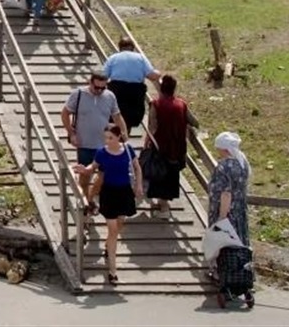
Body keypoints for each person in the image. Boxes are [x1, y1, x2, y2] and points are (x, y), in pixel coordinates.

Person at [77, 124, 143, 285]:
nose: (107, 141)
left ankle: (108, 245)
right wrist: (84, 169)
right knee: (112, 229)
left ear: (119, 137)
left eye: (110, 138)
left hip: (124, 192)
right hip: (108, 193)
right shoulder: (102, 152)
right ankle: (113, 271)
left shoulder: (128, 149)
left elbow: (137, 167)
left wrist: (138, 185)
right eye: (105, 137)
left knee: (120, 225)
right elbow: (93, 167)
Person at [61, 72, 127, 199]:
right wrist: (71, 133)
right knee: (85, 178)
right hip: (85, 144)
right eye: (97, 87)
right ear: (90, 83)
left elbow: (117, 116)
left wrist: (123, 134)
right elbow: (65, 114)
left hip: (105, 145)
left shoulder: (110, 96)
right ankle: (86, 203)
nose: (100, 91)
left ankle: (90, 197)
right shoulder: (78, 94)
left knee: (105, 176)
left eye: (103, 88)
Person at [145, 74, 198, 217]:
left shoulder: (156, 104)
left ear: (161, 89)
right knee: (171, 177)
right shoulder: (181, 104)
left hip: (161, 147)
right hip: (178, 147)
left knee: (160, 176)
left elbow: (152, 127)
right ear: (174, 89)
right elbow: (194, 121)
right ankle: (163, 204)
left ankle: (164, 209)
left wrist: (146, 145)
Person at [103, 37, 161, 131]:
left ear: (120, 48)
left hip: (117, 91)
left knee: (115, 117)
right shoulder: (140, 58)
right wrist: (159, 73)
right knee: (129, 120)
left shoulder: (113, 58)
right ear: (132, 48)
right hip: (134, 93)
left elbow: (103, 76)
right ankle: (124, 140)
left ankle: (114, 140)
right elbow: (152, 76)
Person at [209, 131, 251, 248]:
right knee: (239, 242)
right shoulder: (243, 164)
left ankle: (222, 265)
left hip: (226, 211)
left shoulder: (224, 167)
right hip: (239, 210)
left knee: (224, 245)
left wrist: (222, 218)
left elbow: (226, 194)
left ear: (224, 149)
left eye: (218, 149)